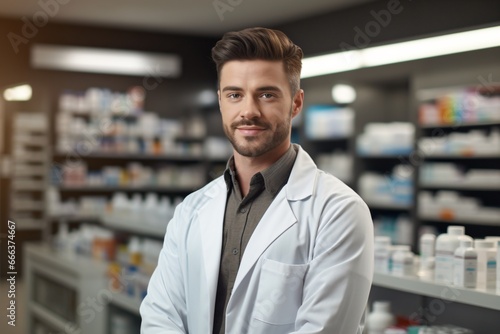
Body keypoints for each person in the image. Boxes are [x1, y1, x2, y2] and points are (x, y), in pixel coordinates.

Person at [140, 27, 374, 334]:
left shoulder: (339, 212)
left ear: (296, 103)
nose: (248, 111)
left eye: (266, 94)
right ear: (222, 102)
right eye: (234, 95)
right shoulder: (191, 210)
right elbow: (161, 317)